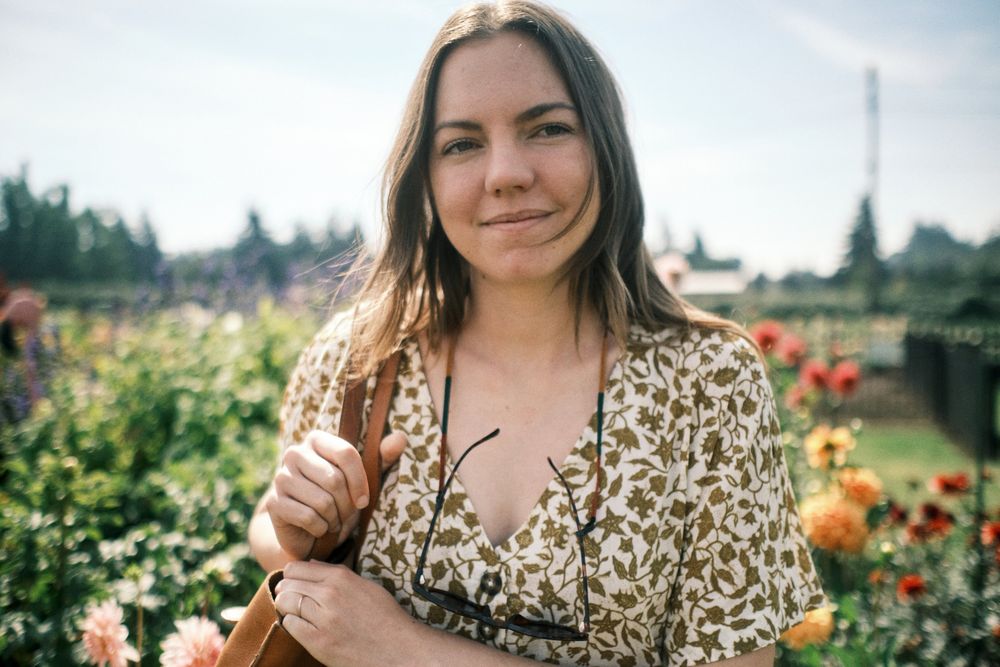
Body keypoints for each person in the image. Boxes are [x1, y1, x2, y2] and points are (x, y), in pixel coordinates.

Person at [248, 2, 826, 665]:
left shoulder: (709, 383)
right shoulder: (360, 356)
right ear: (425, 178)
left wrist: (405, 649)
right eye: (462, 143)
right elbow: (268, 529)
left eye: (547, 129)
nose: (505, 174)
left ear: (605, 147)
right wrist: (300, 533)